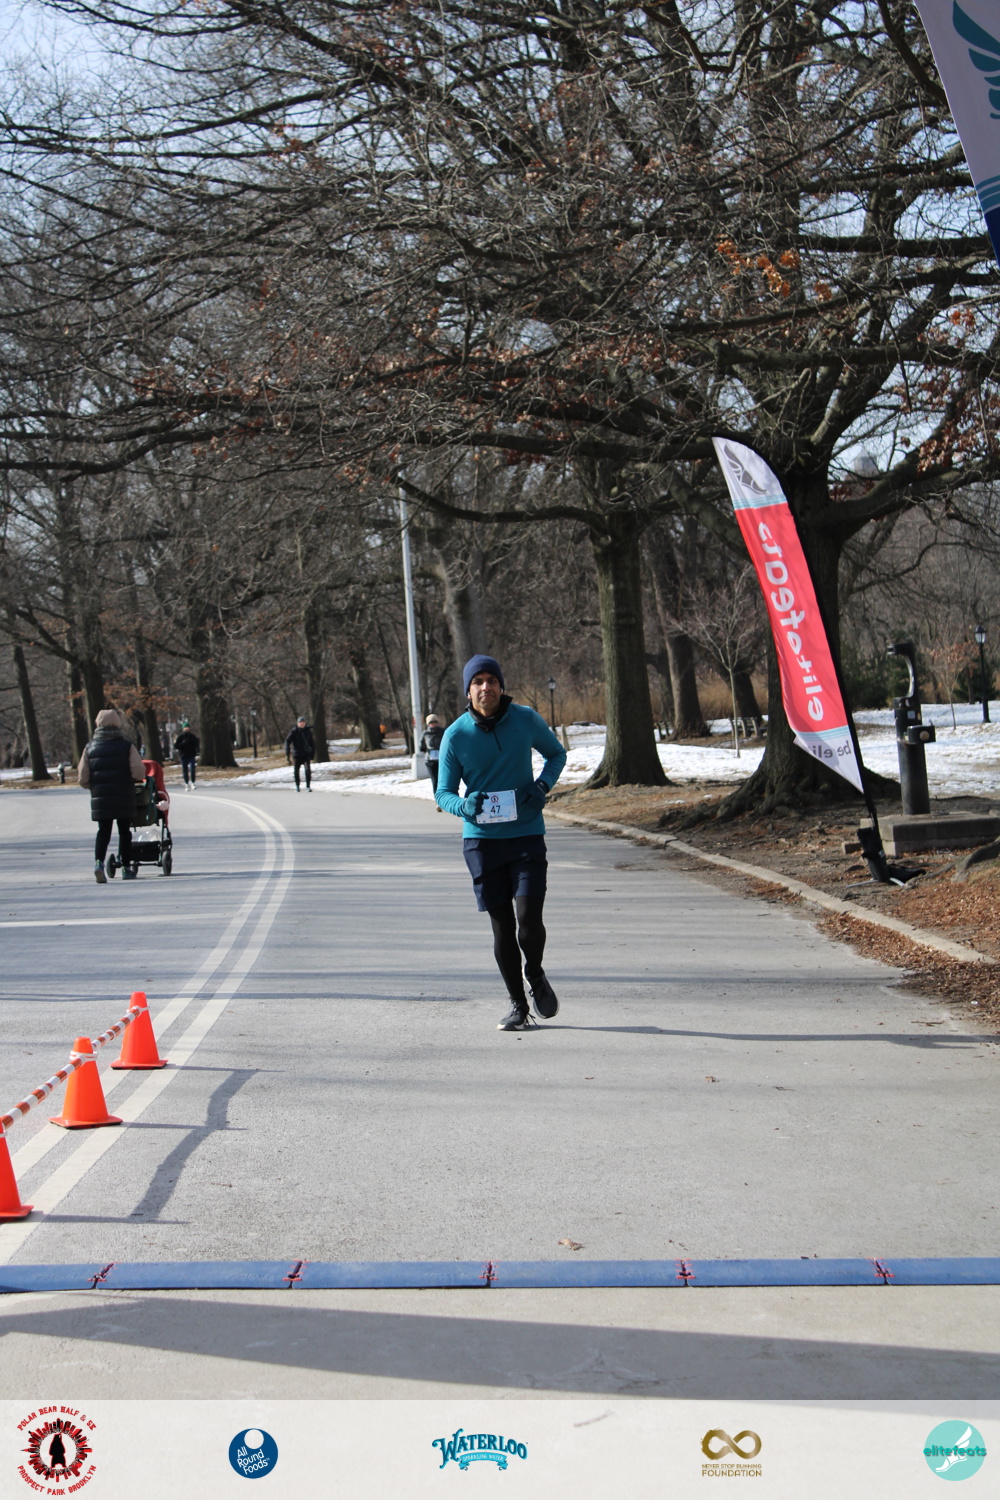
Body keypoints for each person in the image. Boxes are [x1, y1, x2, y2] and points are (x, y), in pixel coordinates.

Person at [436, 654, 567, 1031]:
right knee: (502, 926)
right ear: (468, 691)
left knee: (529, 919)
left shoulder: (525, 719)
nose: (485, 687)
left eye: (491, 680)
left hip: (526, 836)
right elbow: (443, 793)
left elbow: (556, 754)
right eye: (477, 682)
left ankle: (535, 972)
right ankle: (517, 1004)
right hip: (482, 844)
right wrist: (464, 806)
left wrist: (542, 787)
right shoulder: (455, 735)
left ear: (501, 686)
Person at [78, 708, 146, 883]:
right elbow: (139, 772)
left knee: (103, 831)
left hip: (101, 797)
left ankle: (99, 864)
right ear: (118, 724)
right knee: (124, 831)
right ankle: (125, 867)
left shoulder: (90, 748)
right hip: (124, 795)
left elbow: (83, 777)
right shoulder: (127, 746)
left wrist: (93, 787)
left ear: (98, 724)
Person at [285, 716, 316, 791]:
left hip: (306, 754)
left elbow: (312, 743)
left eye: (303, 722)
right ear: (297, 723)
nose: (302, 724)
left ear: (305, 723)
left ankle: (308, 786)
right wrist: (287, 751)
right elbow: (287, 741)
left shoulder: (308, 731)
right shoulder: (294, 731)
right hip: (297, 754)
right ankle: (297, 786)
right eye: (300, 722)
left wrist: (312, 755)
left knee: (308, 770)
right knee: (296, 770)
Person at [419, 713, 445, 801]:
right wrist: (428, 750)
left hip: (442, 760)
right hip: (430, 761)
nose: (433, 724)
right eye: (431, 723)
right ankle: (437, 800)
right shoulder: (425, 733)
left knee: (442, 780)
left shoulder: (443, 732)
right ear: (428, 724)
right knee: (434, 781)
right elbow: (421, 747)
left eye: (435, 722)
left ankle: (444, 798)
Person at [174, 720, 200, 789]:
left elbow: (196, 744)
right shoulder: (180, 737)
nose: (187, 729)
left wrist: (197, 751)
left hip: (191, 755)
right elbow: (176, 746)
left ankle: (193, 782)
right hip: (183, 756)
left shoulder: (192, 736)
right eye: (185, 728)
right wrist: (183, 743)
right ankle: (186, 783)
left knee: (192, 769)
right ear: (183, 729)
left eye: (188, 728)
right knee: (185, 770)